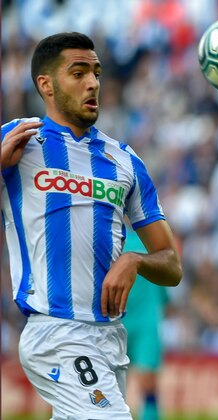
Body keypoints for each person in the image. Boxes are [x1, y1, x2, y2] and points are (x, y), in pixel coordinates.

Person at [1, 32, 182, 419]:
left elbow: (172, 264)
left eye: (96, 73)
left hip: (110, 339)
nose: (92, 83)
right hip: (56, 332)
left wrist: (135, 261)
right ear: (45, 85)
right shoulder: (18, 140)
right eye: (78, 72)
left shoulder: (126, 162)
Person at [122, 229, 170, 420]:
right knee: (128, 383)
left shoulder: (153, 245)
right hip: (122, 321)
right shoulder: (155, 246)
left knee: (146, 380)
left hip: (143, 322)